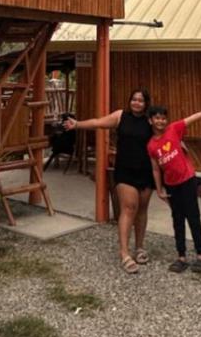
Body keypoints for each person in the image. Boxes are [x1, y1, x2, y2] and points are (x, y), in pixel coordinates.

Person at [64, 87, 154, 273]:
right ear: (129, 101)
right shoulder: (121, 116)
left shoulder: (150, 121)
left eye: (141, 100)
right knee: (129, 208)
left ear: (146, 104)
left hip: (146, 171)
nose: (137, 103)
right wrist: (77, 124)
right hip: (125, 170)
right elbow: (98, 122)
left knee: (142, 209)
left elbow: (165, 135)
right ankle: (124, 253)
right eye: (134, 99)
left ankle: (139, 247)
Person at [147, 102, 201, 273]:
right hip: (171, 185)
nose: (160, 121)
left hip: (187, 180)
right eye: (157, 118)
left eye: (163, 118)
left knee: (193, 216)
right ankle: (181, 256)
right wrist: (159, 190)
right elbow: (155, 169)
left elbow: (192, 118)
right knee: (177, 219)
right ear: (150, 120)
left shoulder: (173, 129)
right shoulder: (151, 145)